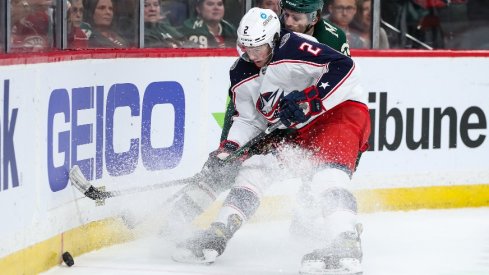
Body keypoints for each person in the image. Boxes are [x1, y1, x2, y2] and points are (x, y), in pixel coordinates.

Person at [171, 7, 370, 275]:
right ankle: (217, 234)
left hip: (339, 114)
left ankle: (346, 243)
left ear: (274, 39)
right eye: (246, 48)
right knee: (255, 169)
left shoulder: (295, 47)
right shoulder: (242, 70)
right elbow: (247, 120)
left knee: (327, 175)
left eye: (259, 48)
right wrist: (228, 150)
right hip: (294, 128)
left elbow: (346, 68)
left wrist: (309, 98)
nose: (252, 56)